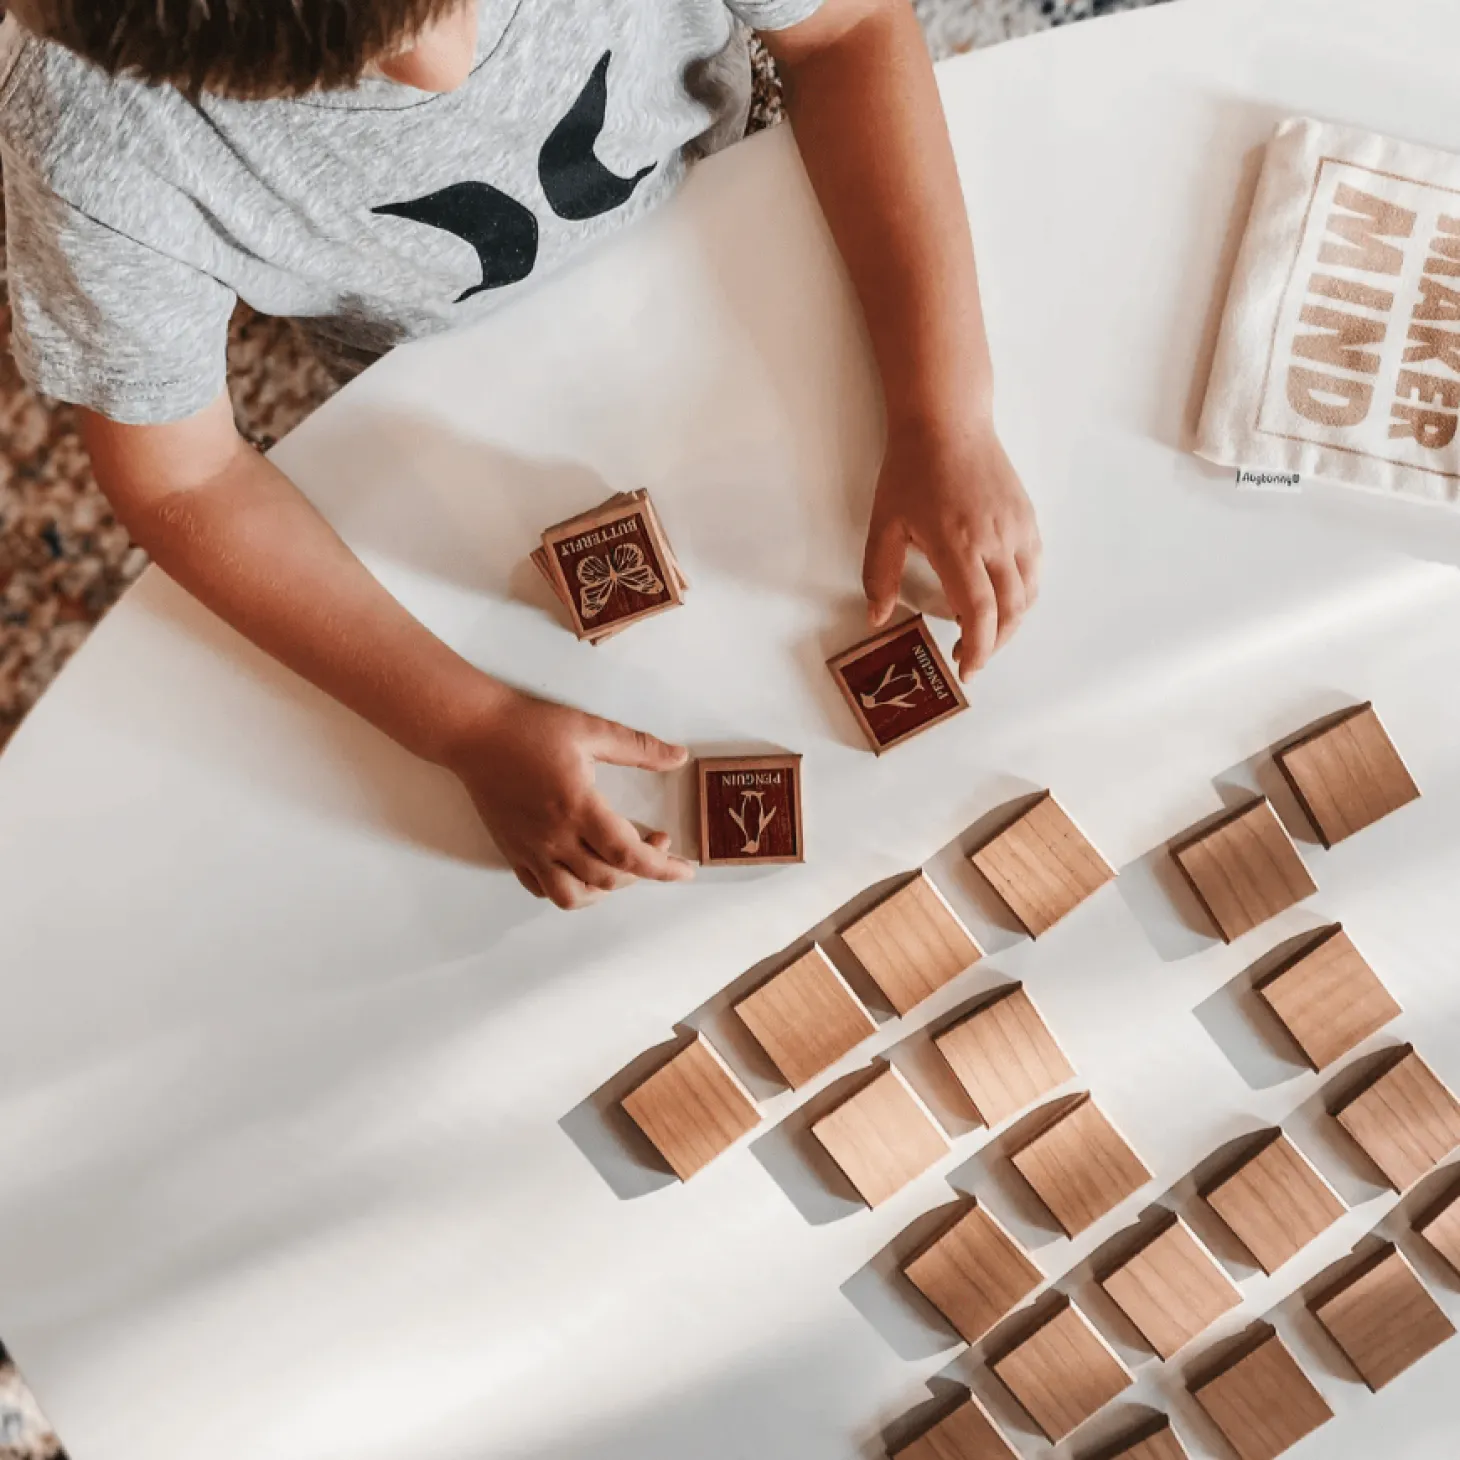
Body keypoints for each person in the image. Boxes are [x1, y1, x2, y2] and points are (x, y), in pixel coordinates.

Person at [0, 0, 1041, 908]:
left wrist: (941, 411)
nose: (444, 66)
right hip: (422, 368)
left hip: (731, 205)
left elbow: (849, 27)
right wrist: (463, 723)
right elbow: (182, 476)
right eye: (363, 56)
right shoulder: (84, 135)